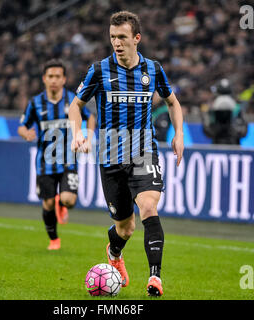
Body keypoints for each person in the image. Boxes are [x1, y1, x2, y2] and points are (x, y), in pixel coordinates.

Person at [68, 11, 184, 296]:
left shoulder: (153, 69)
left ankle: (154, 278)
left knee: (148, 208)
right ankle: (114, 253)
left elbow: (173, 102)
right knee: (125, 227)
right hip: (110, 159)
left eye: (122, 37)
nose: (117, 43)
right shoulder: (99, 70)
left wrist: (178, 134)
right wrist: (77, 132)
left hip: (144, 152)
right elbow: (75, 107)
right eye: (112, 37)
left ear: (136, 38)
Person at [18, 59, 95, 250]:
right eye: (50, 76)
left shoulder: (73, 101)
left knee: (68, 200)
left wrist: (88, 137)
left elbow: (90, 117)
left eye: (57, 76)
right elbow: (22, 125)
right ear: (44, 79)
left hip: (69, 159)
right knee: (48, 202)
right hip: (44, 162)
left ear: (64, 79)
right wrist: (26, 133)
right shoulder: (35, 103)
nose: (53, 80)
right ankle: (54, 239)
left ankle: (63, 203)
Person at [202, 78, 248, 144]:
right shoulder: (211, 110)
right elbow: (207, 131)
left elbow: (244, 131)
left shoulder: (238, 109)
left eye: (227, 94)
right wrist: (217, 128)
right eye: (221, 95)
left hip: (234, 144)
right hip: (216, 144)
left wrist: (232, 128)